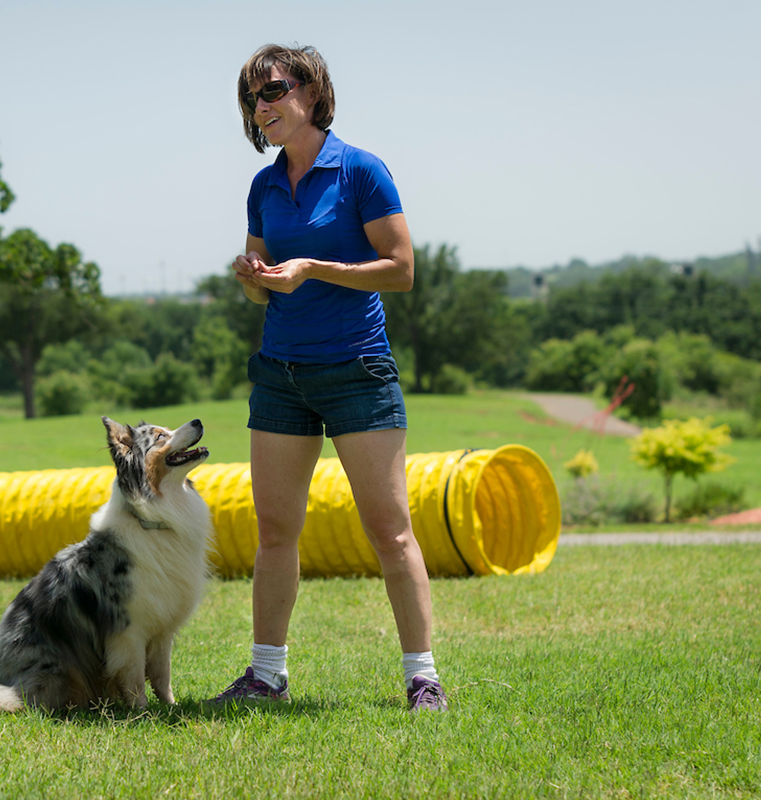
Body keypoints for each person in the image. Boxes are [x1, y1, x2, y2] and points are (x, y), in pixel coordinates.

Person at [209, 44, 447, 711]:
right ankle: (266, 676)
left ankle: (422, 678)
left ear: (312, 94)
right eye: (252, 98)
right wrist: (254, 280)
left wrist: (314, 266)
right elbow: (265, 290)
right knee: (275, 529)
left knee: (389, 530)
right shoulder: (263, 186)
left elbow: (400, 269)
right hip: (281, 375)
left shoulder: (362, 172)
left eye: (274, 90)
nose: (262, 107)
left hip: (357, 371)